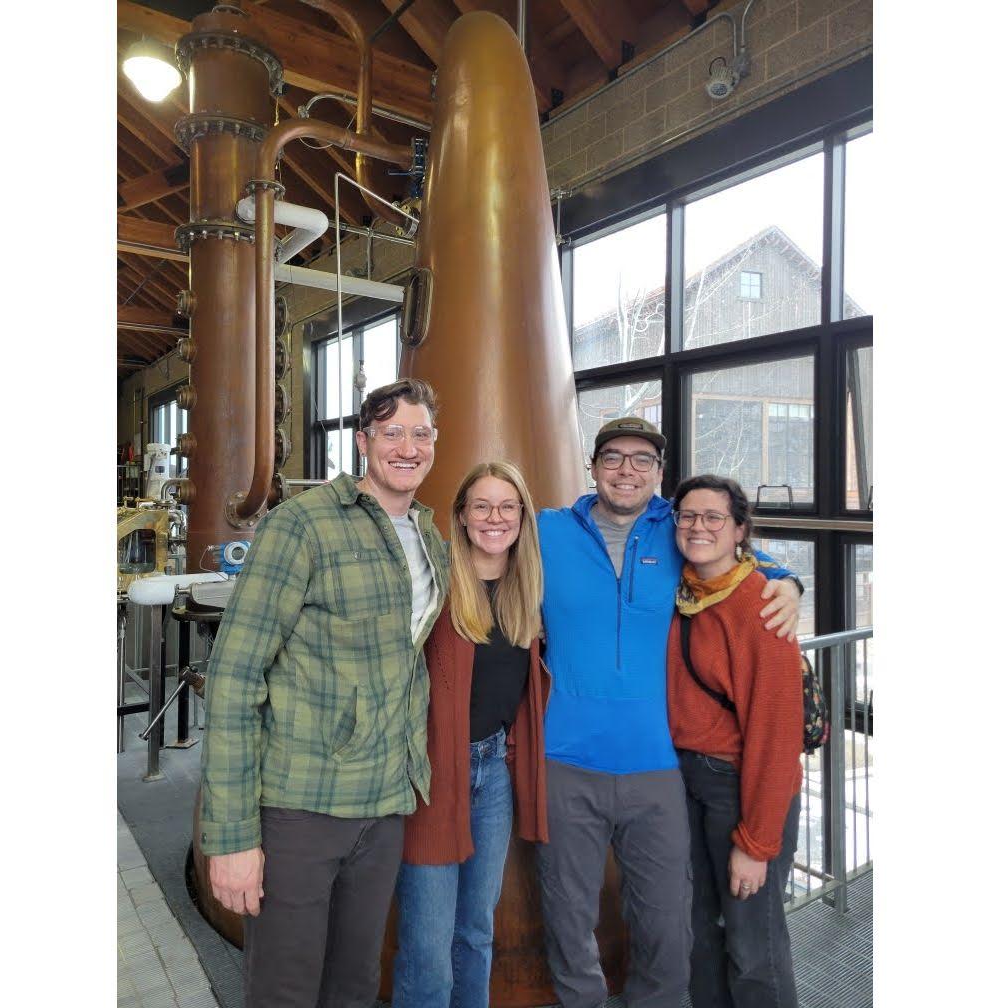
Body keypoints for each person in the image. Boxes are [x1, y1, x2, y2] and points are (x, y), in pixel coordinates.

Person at [535, 416, 802, 1008]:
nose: (626, 470)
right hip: (564, 759)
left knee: (670, 926)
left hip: (658, 767)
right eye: (612, 457)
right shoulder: (546, 530)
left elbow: (734, 556)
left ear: (659, 472)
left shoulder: (676, 528)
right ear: (592, 466)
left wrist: (788, 580)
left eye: (642, 459)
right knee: (568, 916)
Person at [198, 378, 449, 1008]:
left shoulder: (428, 534)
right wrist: (230, 836)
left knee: (355, 983)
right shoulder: (302, 525)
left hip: (385, 802)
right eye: (392, 433)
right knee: (285, 987)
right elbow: (235, 677)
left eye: (421, 434)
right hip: (302, 804)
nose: (408, 447)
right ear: (363, 442)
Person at [392, 460, 550, 1008]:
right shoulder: (430, 580)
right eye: (481, 506)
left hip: (494, 773)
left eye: (507, 506)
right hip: (432, 772)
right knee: (428, 946)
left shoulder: (526, 587)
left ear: (523, 517)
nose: (494, 518)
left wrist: (777, 577)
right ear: (460, 515)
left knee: (477, 931)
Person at [668, 474, 803, 1008]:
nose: (698, 527)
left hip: (740, 789)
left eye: (713, 518)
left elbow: (776, 738)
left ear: (740, 530)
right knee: (698, 931)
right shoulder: (681, 590)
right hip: (685, 780)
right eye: (688, 516)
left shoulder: (761, 606)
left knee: (753, 946)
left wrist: (756, 843)